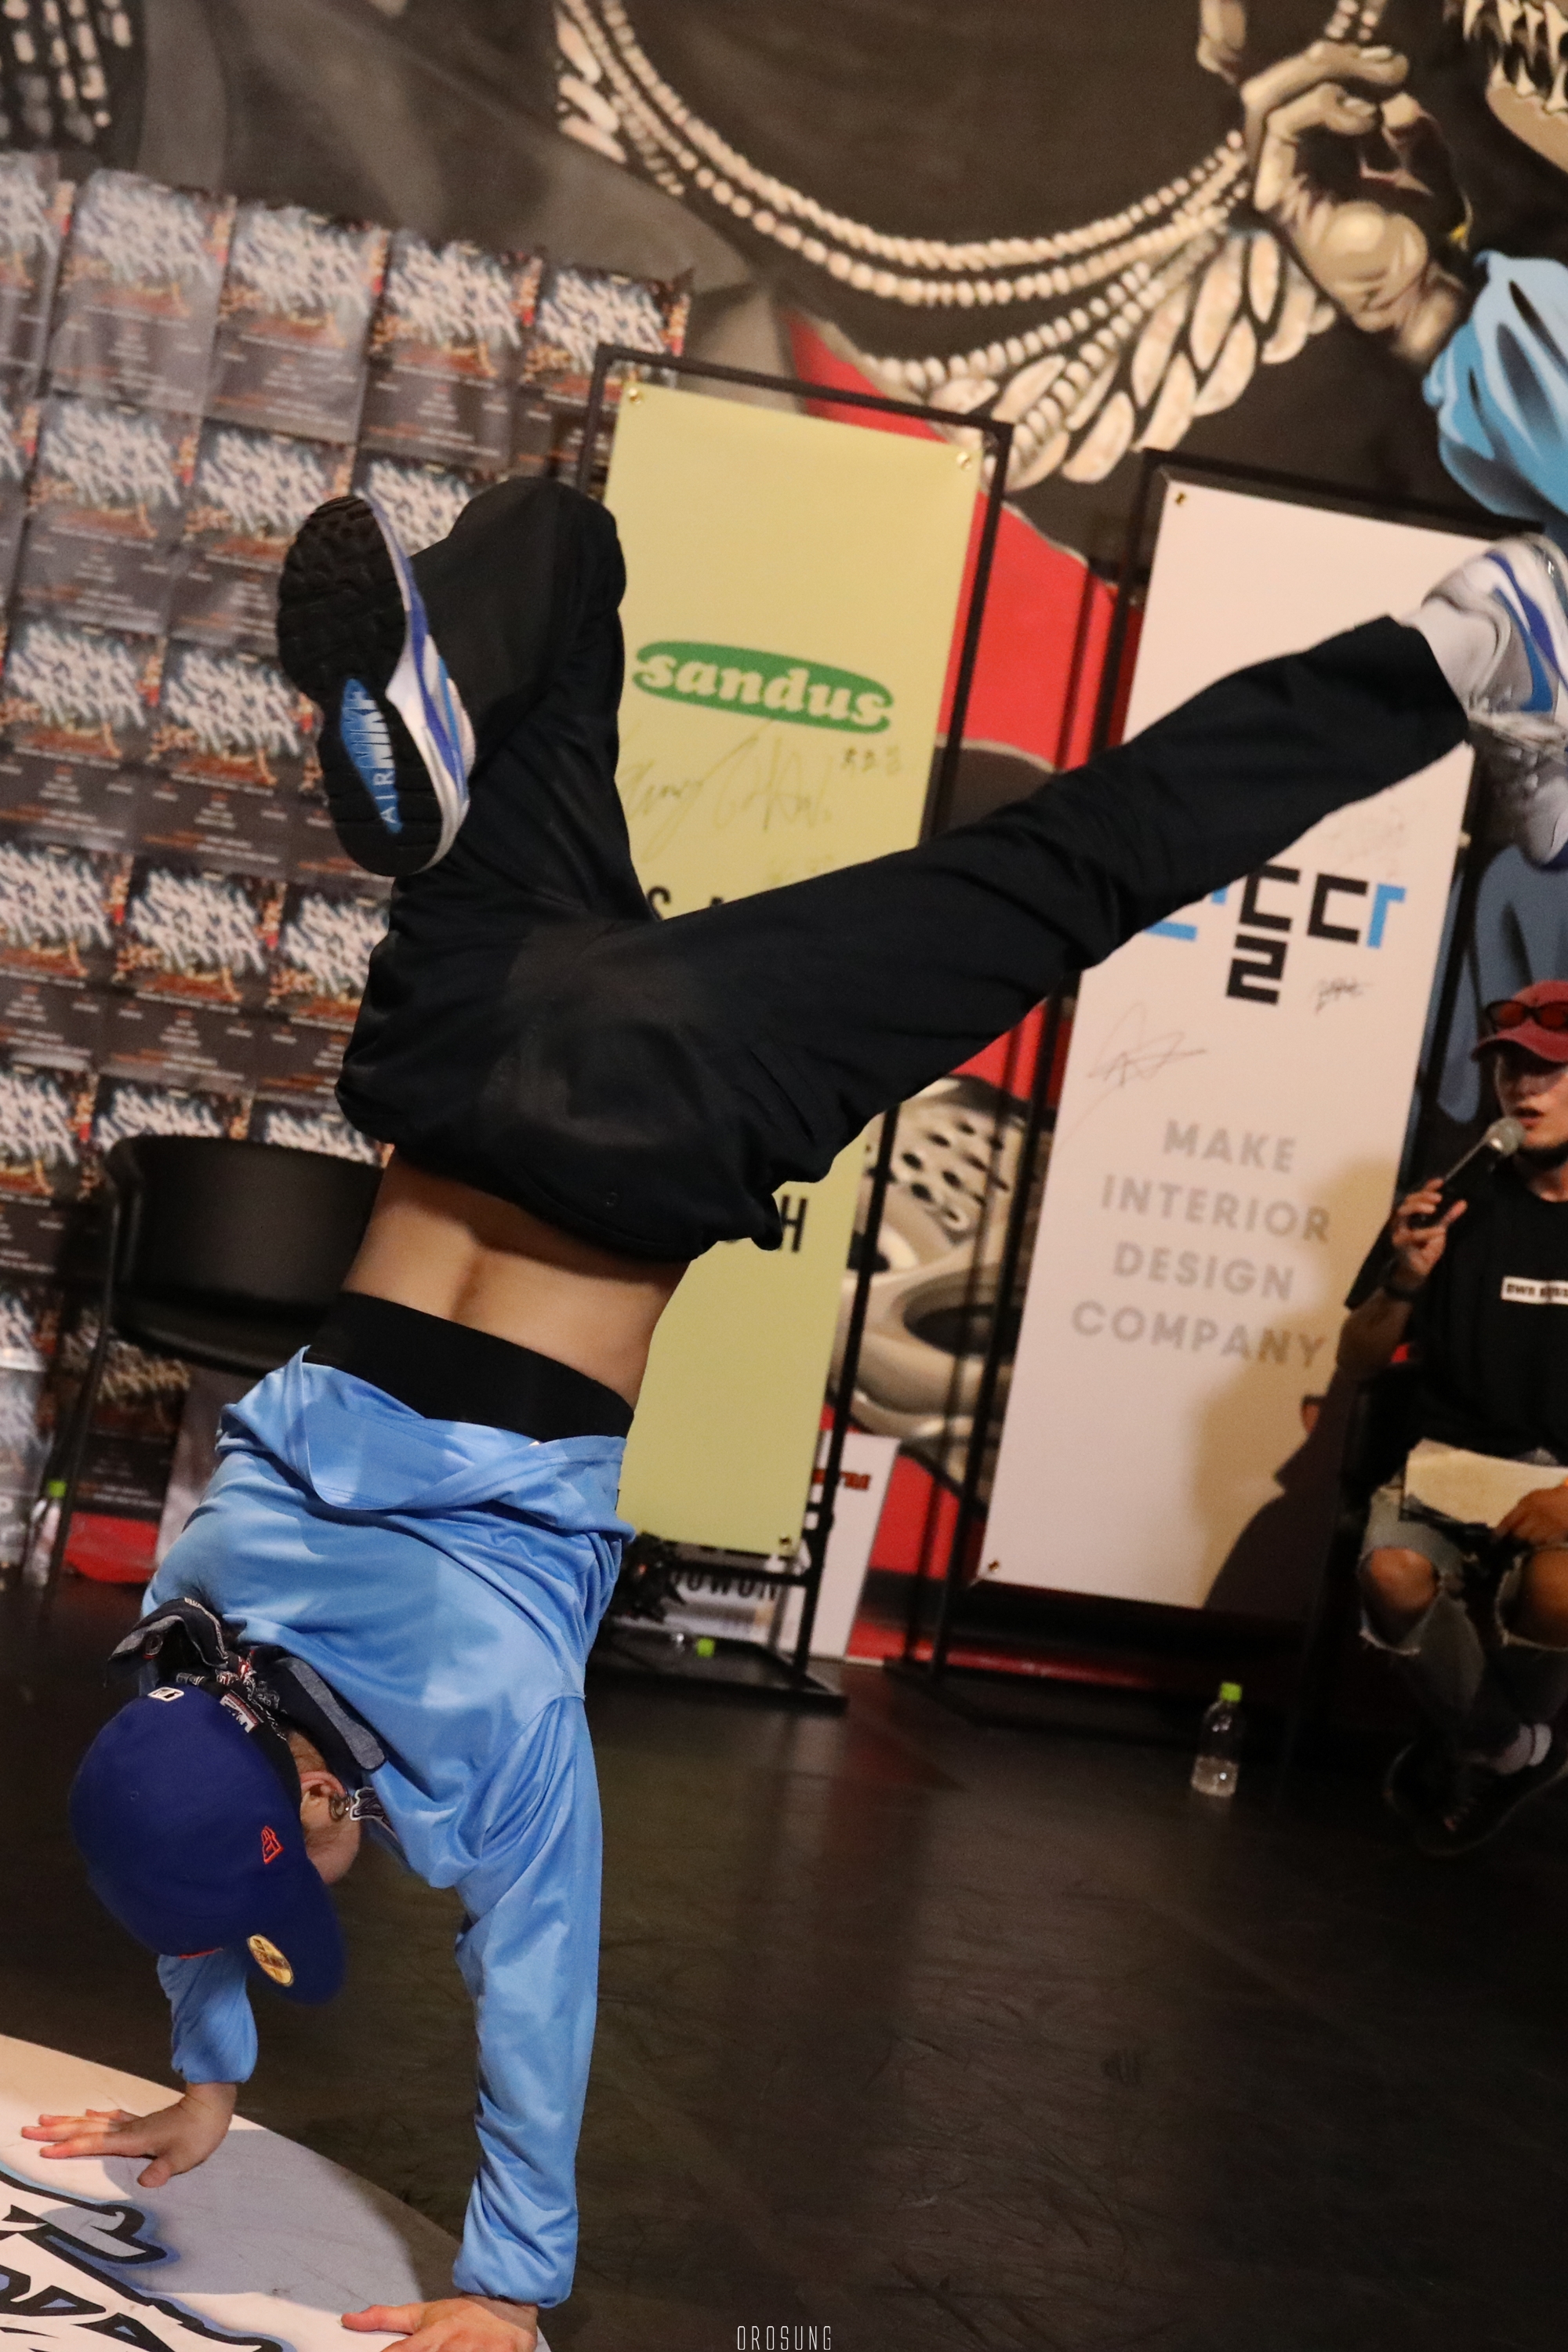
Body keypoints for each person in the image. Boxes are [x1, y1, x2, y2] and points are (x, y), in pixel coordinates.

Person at [27, 479, 1568, 2350]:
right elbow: (189, 1811)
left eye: (302, 1871)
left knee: (1073, 866)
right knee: (572, 543)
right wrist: (206, 2070)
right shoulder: (192, 1599)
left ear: (322, 1788)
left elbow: (534, 1972)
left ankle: (1461, 641)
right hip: (463, 1032)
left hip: (662, 1109)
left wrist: (508, 2283)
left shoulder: (475, 1705)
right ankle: (447, 673)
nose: (314, 1895)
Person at [1342, 978, 1568, 1857]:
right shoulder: (1452, 1200)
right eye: (1510, 1068)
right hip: (1449, 1461)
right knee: (1391, 1575)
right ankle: (1512, 1748)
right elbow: (1358, 1358)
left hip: (1562, 1476)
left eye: (1548, 1069)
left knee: (1559, 1591)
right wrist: (1404, 1275)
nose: (1523, 1088)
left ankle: (1474, 1739)